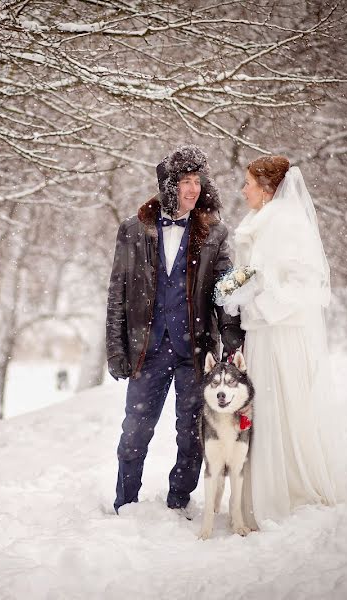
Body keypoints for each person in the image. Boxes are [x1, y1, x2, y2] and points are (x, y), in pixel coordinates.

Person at [106, 145, 244, 514]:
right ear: (169, 185)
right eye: (185, 181)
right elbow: (117, 291)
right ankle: (125, 502)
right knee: (135, 432)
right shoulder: (133, 231)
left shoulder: (214, 233)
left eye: (197, 181)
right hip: (145, 352)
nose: (193, 188)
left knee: (192, 436)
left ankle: (178, 502)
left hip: (195, 354)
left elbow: (224, 289)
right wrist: (116, 349)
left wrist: (231, 340)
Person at [233, 155, 347, 528]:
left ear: (267, 189)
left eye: (248, 183)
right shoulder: (256, 221)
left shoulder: (289, 223)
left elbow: (306, 282)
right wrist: (237, 293)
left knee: (283, 406)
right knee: (262, 411)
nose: (243, 189)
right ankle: (262, 493)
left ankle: (289, 491)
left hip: (280, 331)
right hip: (259, 334)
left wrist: (259, 299)